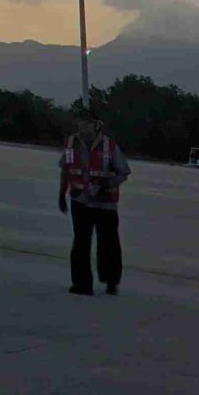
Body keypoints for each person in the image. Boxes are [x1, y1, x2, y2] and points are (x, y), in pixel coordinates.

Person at [58, 104, 131, 295]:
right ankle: (82, 284)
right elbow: (65, 170)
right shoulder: (71, 143)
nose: (83, 126)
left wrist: (106, 184)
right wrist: (61, 195)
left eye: (87, 123)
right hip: (80, 201)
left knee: (108, 244)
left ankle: (111, 281)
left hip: (104, 203)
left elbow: (124, 171)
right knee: (81, 243)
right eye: (80, 122)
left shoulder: (109, 146)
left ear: (96, 125)